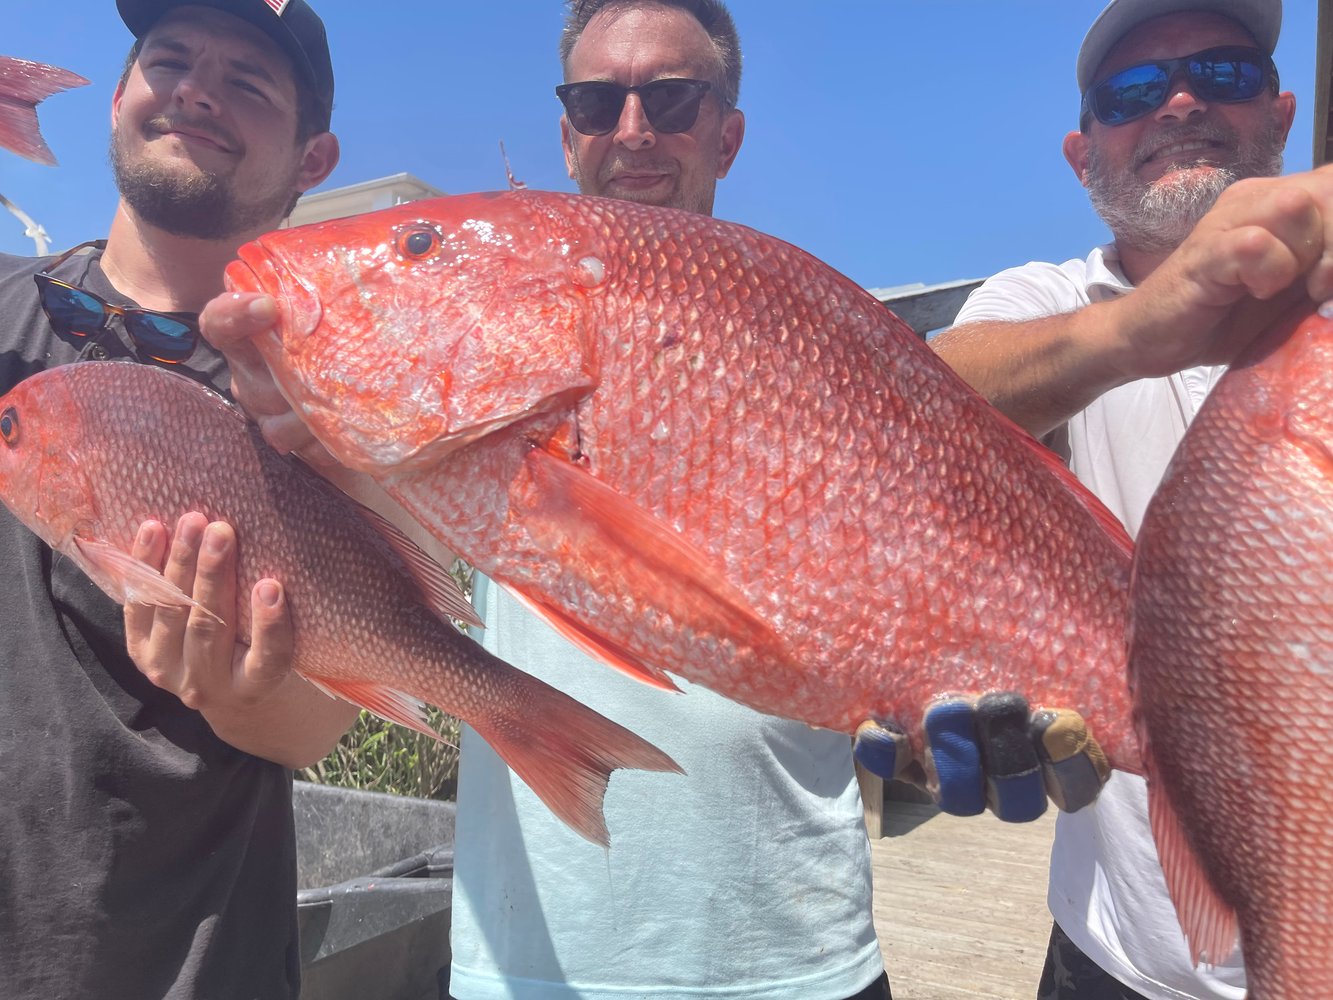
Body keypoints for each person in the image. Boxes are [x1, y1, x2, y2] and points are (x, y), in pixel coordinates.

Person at [441, 3, 896, 999]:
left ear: (726, 134)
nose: (632, 130)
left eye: (672, 99)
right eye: (597, 102)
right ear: (566, 137)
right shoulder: (480, 343)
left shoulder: (815, 342)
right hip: (533, 963)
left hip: (798, 958)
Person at [932, 1, 1333, 997]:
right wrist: (1141, 329)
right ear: (1082, 155)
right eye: (1134, 93)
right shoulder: (1049, 302)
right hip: (1115, 961)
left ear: (1282, 116)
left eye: (1224, 76)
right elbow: (922, 389)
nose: (1182, 104)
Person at [0, 1, 352, 997]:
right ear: (117, 98)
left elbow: (318, 723)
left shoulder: (312, 404)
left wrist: (253, 693)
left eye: (248, 82)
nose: (198, 88)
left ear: (311, 161)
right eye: (170, 59)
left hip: (189, 970)